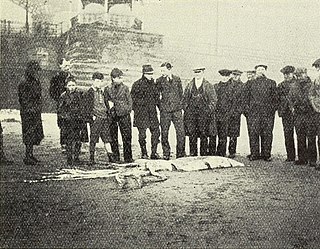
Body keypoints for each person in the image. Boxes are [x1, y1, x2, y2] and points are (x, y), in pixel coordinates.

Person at [243, 64, 278, 161]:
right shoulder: (250, 84)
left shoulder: (271, 83)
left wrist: (272, 111)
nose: (261, 71)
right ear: (256, 72)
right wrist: (248, 112)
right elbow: (245, 99)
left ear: (265, 71)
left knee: (267, 133)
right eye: (258, 70)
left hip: (267, 114)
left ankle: (266, 154)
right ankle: (254, 154)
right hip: (253, 114)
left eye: (263, 69)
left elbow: (276, 99)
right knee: (253, 133)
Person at [183, 67, 217, 156]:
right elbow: (184, 99)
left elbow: (213, 100)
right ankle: (193, 154)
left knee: (203, 134)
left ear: (203, 72)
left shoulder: (208, 85)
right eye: (195, 72)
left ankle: (203, 154)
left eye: (199, 72)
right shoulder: (189, 85)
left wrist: (208, 110)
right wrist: (186, 108)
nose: (197, 74)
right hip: (191, 114)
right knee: (192, 134)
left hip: (204, 115)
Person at [210, 69, 243, 158]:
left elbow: (235, 102)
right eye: (222, 76)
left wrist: (230, 113)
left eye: (226, 76)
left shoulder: (233, 87)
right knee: (213, 134)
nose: (224, 78)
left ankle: (221, 153)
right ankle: (212, 152)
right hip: (216, 114)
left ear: (229, 77)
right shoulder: (215, 87)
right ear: (220, 77)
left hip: (228, 115)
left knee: (223, 135)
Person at [156, 62, 185, 160]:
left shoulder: (177, 79)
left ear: (169, 70)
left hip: (177, 111)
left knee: (181, 132)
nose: (162, 72)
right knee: (164, 133)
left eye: (163, 70)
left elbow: (181, 94)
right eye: (161, 71)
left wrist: (179, 106)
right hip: (165, 112)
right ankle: (166, 153)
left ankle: (180, 154)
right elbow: (156, 96)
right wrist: (162, 107)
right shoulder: (159, 81)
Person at [289, 68, 317, 167]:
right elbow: (290, 99)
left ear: (305, 74)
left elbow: (313, 98)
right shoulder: (293, 86)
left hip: (309, 114)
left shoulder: (312, 85)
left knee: (311, 137)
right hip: (298, 115)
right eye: (298, 75)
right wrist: (292, 107)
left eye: (301, 74)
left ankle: (312, 159)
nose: (300, 76)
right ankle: (302, 158)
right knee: (300, 137)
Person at [131, 65, 161, 159]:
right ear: (144, 74)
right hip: (141, 114)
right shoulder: (137, 84)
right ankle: (144, 153)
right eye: (149, 74)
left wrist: (161, 108)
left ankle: (154, 153)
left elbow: (157, 98)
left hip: (152, 113)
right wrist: (137, 109)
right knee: (142, 135)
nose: (151, 76)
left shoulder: (154, 84)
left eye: (152, 74)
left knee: (156, 132)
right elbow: (132, 99)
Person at [18, 61, 44, 165]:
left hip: (35, 111)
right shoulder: (24, 82)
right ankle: (27, 156)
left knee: (34, 134)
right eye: (35, 70)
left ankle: (30, 154)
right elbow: (23, 99)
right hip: (28, 112)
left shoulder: (35, 80)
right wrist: (31, 109)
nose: (37, 73)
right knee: (28, 133)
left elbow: (38, 95)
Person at [105, 68, 133, 163]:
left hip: (124, 115)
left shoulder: (125, 88)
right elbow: (106, 102)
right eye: (119, 78)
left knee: (127, 136)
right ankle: (115, 157)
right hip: (112, 115)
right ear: (113, 78)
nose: (121, 79)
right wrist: (111, 111)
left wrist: (126, 110)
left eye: (121, 77)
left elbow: (130, 102)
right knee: (113, 137)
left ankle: (128, 157)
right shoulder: (107, 89)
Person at [58, 77, 86, 165]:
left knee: (78, 140)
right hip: (67, 121)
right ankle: (69, 158)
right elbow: (60, 109)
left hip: (77, 120)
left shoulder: (79, 94)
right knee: (69, 140)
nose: (72, 87)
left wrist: (82, 118)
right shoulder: (63, 96)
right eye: (69, 85)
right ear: (66, 86)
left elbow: (82, 107)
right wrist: (63, 119)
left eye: (73, 85)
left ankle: (77, 157)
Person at [87, 72, 112, 165]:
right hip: (96, 118)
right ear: (93, 81)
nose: (99, 83)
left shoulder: (102, 92)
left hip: (104, 117)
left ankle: (110, 156)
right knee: (93, 138)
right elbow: (86, 107)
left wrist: (108, 113)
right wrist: (92, 117)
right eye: (97, 81)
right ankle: (91, 158)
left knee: (106, 138)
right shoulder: (89, 92)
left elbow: (106, 103)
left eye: (100, 81)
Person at [49, 58, 72, 150]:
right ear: (60, 66)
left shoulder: (71, 77)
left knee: (72, 123)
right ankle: (64, 144)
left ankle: (71, 144)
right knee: (63, 124)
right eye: (66, 66)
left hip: (72, 104)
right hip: (62, 105)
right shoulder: (56, 78)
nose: (68, 68)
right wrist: (59, 100)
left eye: (69, 66)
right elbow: (52, 91)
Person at [277, 65, 296, 162]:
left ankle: (303, 157)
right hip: (286, 113)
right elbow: (277, 99)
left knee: (301, 135)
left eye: (288, 74)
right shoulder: (280, 85)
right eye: (284, 74)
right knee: (288, 134)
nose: (286, 76)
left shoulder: (297, 84)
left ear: (293, 73)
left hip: (297, 113)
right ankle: (290, 156)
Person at [309, 59, 320, 170]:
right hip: (318, 112)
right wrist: (315, 105)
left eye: (318, 67)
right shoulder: (316, 80)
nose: (317, 70)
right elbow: (311, 95)